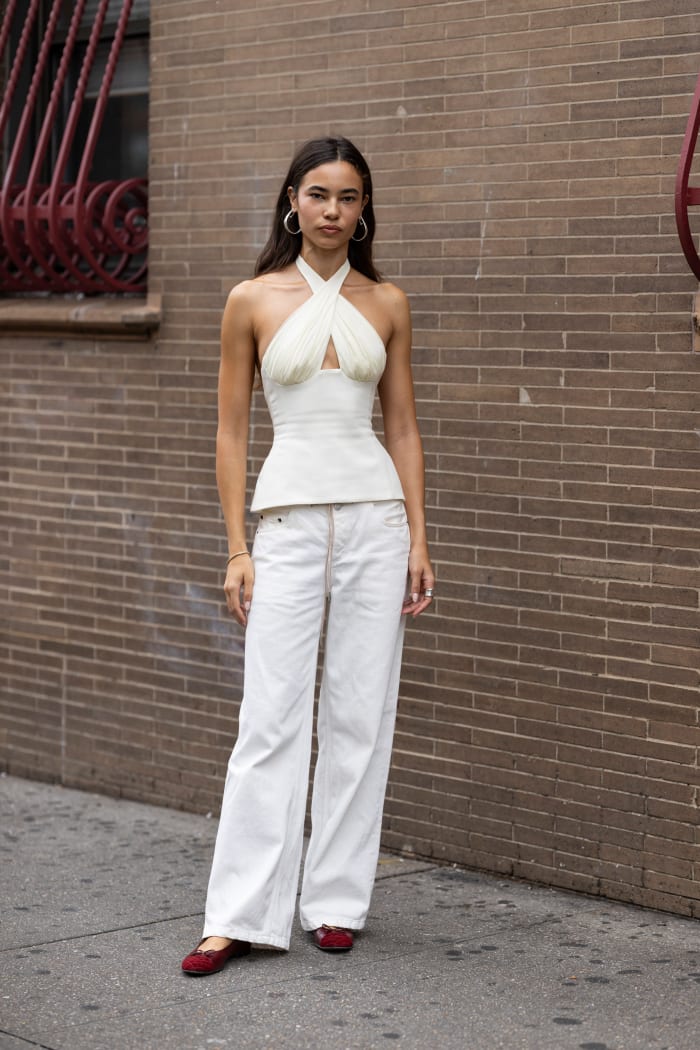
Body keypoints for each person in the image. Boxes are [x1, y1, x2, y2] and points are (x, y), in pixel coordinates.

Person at [181, 135, 435, 976]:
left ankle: (334, 901)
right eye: (319, 194)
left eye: (350, 197)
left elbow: (400, 426)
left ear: (365, 210)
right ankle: (238, 915)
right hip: (285, 525)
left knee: (362, 716)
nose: (333, 211)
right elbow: (230, 429)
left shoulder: (388, 301)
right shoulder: (250, 299)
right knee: (269, 721)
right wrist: (235, 547)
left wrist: (420, 539)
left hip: (375, 522)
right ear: (293, 200)